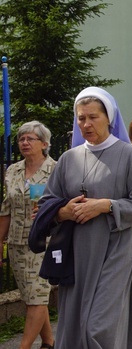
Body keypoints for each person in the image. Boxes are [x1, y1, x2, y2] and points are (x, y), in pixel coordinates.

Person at [36, 87, 132, 348]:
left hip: (115, 249)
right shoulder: (68, 159)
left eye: (93, 117)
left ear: (109, 118)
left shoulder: (130, 155)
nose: (86, 124)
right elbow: (48, 203)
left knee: (99, 327)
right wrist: (63, 211)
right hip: (77, 251)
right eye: (81, 118)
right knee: (76, 325)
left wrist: (105, 206)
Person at [0, 121, 56, 349]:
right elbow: (6, 209)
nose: (24, 142)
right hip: (16, 242)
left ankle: (23, 347)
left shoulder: (57, 169)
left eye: (29, 138)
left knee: (37, 296)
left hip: (45, 243)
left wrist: (51, 209)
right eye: (21, 139)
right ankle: (49, 342)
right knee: (30, 296)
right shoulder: (12, 170)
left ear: (44, 144)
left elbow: (66, 203)